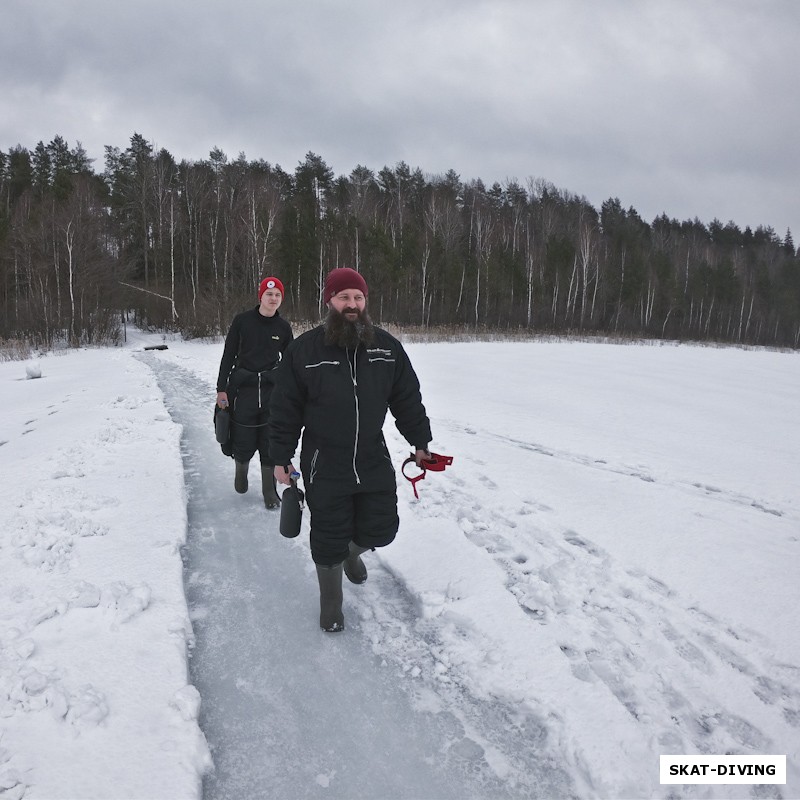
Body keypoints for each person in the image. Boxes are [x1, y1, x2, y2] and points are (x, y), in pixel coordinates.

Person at [269, 267, 432, 632]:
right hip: (324, 461)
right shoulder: (304, 351)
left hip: (372, 456)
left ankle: (351, 556)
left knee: (383, 527)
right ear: (330, 301)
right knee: (328, 537)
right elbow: (284, 408)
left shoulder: (387, 348)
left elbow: (407, 400)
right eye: (344, 297)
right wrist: (281, 457)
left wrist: (420, 441)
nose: (352, 304)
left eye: (358, 297)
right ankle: (331, 604)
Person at [216, 277, 293, 508]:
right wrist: (221, 388)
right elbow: (228, 354)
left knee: (270, 440)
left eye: (277, 295)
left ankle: (269, 491)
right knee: (243, 438)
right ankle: (241, 471)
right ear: (261, 296)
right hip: (243, 390)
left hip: (271, 391)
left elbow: (291, 362)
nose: (273, 299)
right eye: (269, 294)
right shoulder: (242, 321)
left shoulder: (283, 328)